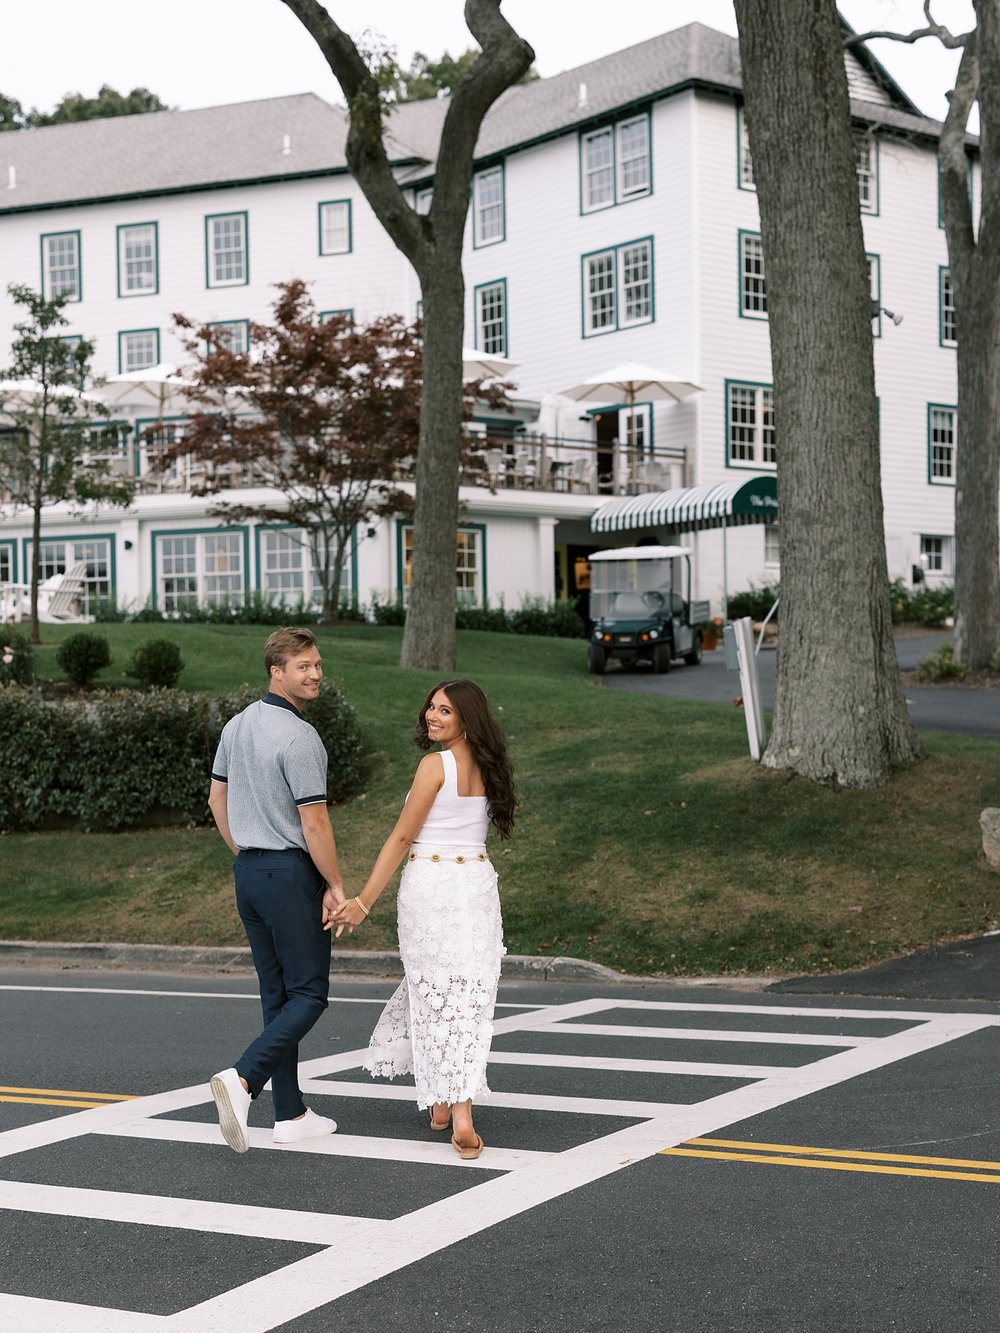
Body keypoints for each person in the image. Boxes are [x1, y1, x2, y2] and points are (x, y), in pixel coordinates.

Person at [331, 678, 515, 1160]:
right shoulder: (487, 766)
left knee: (435, 995)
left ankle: (459, 1113)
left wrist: (364, 901)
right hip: (476, 885)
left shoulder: (435, 765)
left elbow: (400, 839)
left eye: (445, 711)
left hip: (432, 888)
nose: (432, 716)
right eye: (431, 707)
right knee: (468, 998)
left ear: (466, 719)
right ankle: (444, 1104)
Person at [206, 626, 347, 1153]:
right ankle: (243, 1079)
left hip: (249, 875)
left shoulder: (237, 725)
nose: (314, 674)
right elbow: (315, 824)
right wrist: (334, 884)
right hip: (290, 875)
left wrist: (243, 850)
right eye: (303, 666)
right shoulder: (300, 736)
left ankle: (290, 1114)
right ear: (276, 670)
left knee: (278, 998)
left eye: (317, 664)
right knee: (309, 995)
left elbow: (217, 801)